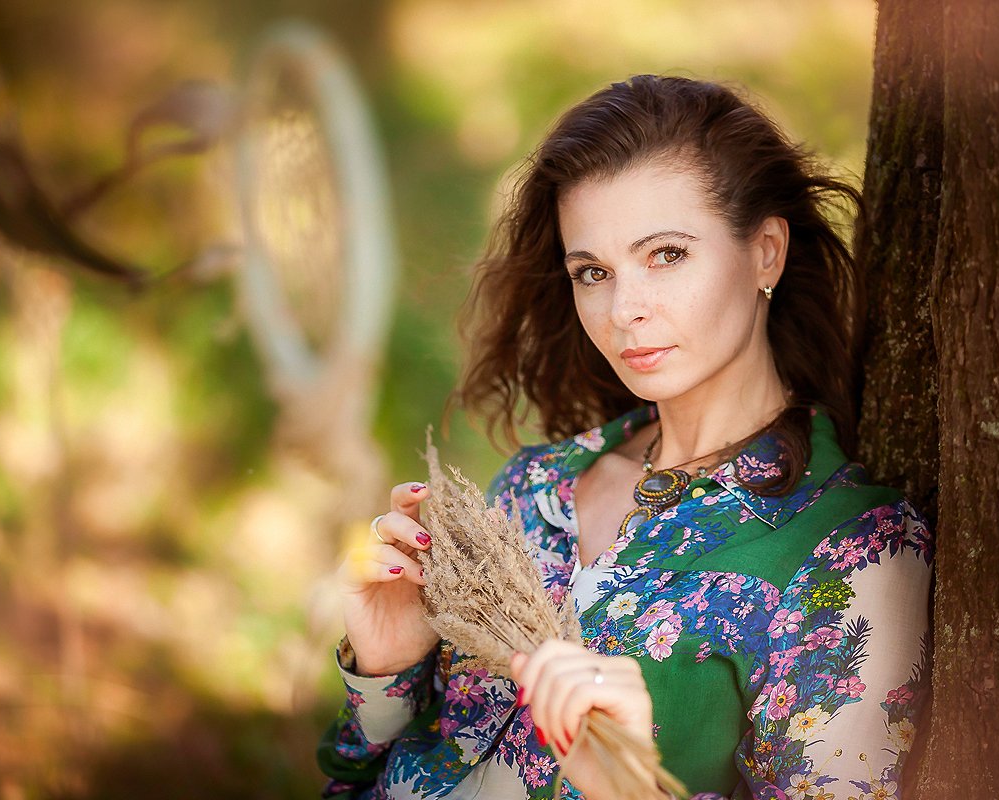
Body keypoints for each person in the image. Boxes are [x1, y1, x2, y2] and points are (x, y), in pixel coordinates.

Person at [317, 74, 934, 800]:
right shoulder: (535, 485)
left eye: (666, 254)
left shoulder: (851, 553)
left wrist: (631, 787)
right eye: (593, 272)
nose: (623, 310)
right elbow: (360, 778)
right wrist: (387, 670)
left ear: (766, 251)